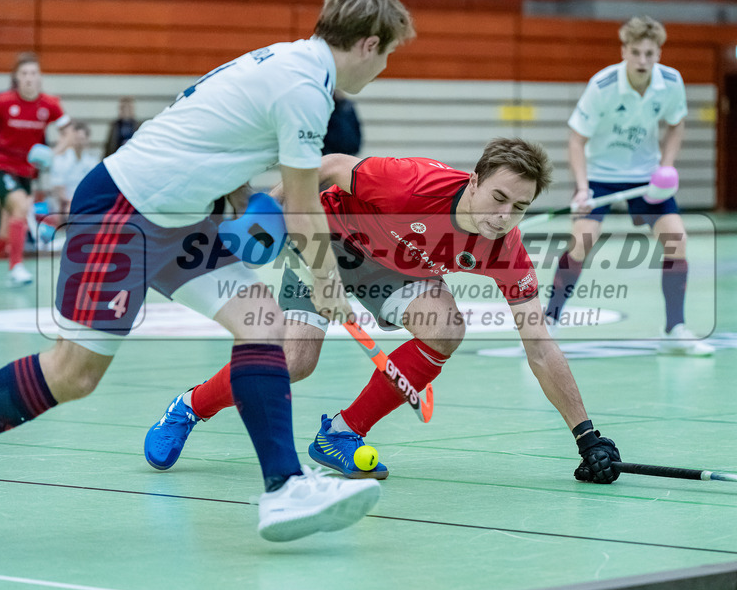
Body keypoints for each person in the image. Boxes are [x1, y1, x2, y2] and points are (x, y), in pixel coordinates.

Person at [0, 0, 416, 546]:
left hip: (180, 217)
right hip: (123, 210)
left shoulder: (289, 62)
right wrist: (327, 282)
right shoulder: (306, 87)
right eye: (388, 55)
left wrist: (238, 199)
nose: (383, 68)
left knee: (262, 323)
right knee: (73, 374)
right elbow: (304, 207)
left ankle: (284, 487)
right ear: (368, 45)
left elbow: (212, 138)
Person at [144, 138, 622, 486]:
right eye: (498, 197)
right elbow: (329, 165)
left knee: (446, 328)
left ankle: (341, 434)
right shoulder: (411, 184)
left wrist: (586, 436)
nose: (503, 216)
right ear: (474, 181)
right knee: (294, 362)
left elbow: (540, 348)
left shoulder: (506, 249)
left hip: (400, 269)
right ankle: (188, 407)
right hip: (328, 244)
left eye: (518, 207)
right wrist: (268, 215)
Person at [543, 15, 713, 356]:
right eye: (635, 53)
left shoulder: (671, 82)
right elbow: (576, 140)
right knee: (581, 243)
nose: (642, 61)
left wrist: (666, 167)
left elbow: (676, 125)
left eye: (649, 54)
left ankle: (674, 329)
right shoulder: (603, 86)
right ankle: (548, 322)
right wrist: (582, 188)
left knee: (677, 240)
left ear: (658, 54)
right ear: (624, 51)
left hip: (646, 177)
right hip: (599, 176)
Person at [0, 53, 73, 289]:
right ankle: (16, 267)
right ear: (17, 77)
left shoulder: (50, 104)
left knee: (7, 233)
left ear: (39, 77)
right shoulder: (3, 101)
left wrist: (53, 153)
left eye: (33, 73)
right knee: (22, 208)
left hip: (27, 172)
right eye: (24, 74)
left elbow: (69, 134)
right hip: (1, 166)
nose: (29, 78)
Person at [49, 121, 99, 217]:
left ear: (87, 140)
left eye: (82, 139)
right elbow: (59, 190)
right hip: (65, 206)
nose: (79, 143)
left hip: (86, 204)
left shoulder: (92, 162)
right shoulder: (60, 160)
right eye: (76, 139)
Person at [321, 89, 362, 155]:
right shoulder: (325, 107)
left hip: (349, 149)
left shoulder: (347, 106)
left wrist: (356, 145)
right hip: (330, 151)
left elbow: (356, 126)